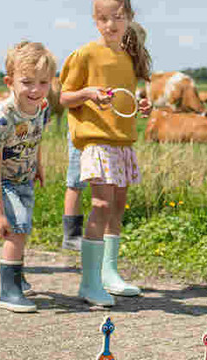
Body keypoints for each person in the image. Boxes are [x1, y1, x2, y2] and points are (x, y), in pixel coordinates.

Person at [59, 0, 152, 307]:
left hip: (122, 141)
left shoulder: (127, 56)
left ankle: (109, 273)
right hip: (96, 142)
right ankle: (89, 283)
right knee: (100, 205)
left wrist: (141, 106)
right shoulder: (85, 54)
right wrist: (87, 94)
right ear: (94, 20)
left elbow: (125, 99)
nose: (111, 24)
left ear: (129, 18)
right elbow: (64, 97)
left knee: (117, 208)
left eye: (118, 17)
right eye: (103, 18)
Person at [0, 41, 55, 313]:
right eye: (27, 82)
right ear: (9, 81)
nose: (36, 90)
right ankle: (8, 291)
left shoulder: (42, 106)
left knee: (24, 225)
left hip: (24, 172)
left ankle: (17, 277)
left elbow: (36, 138)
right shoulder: (2, 118)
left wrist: (38, 165)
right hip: (0, 175)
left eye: (43, 82)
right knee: (15, 226)